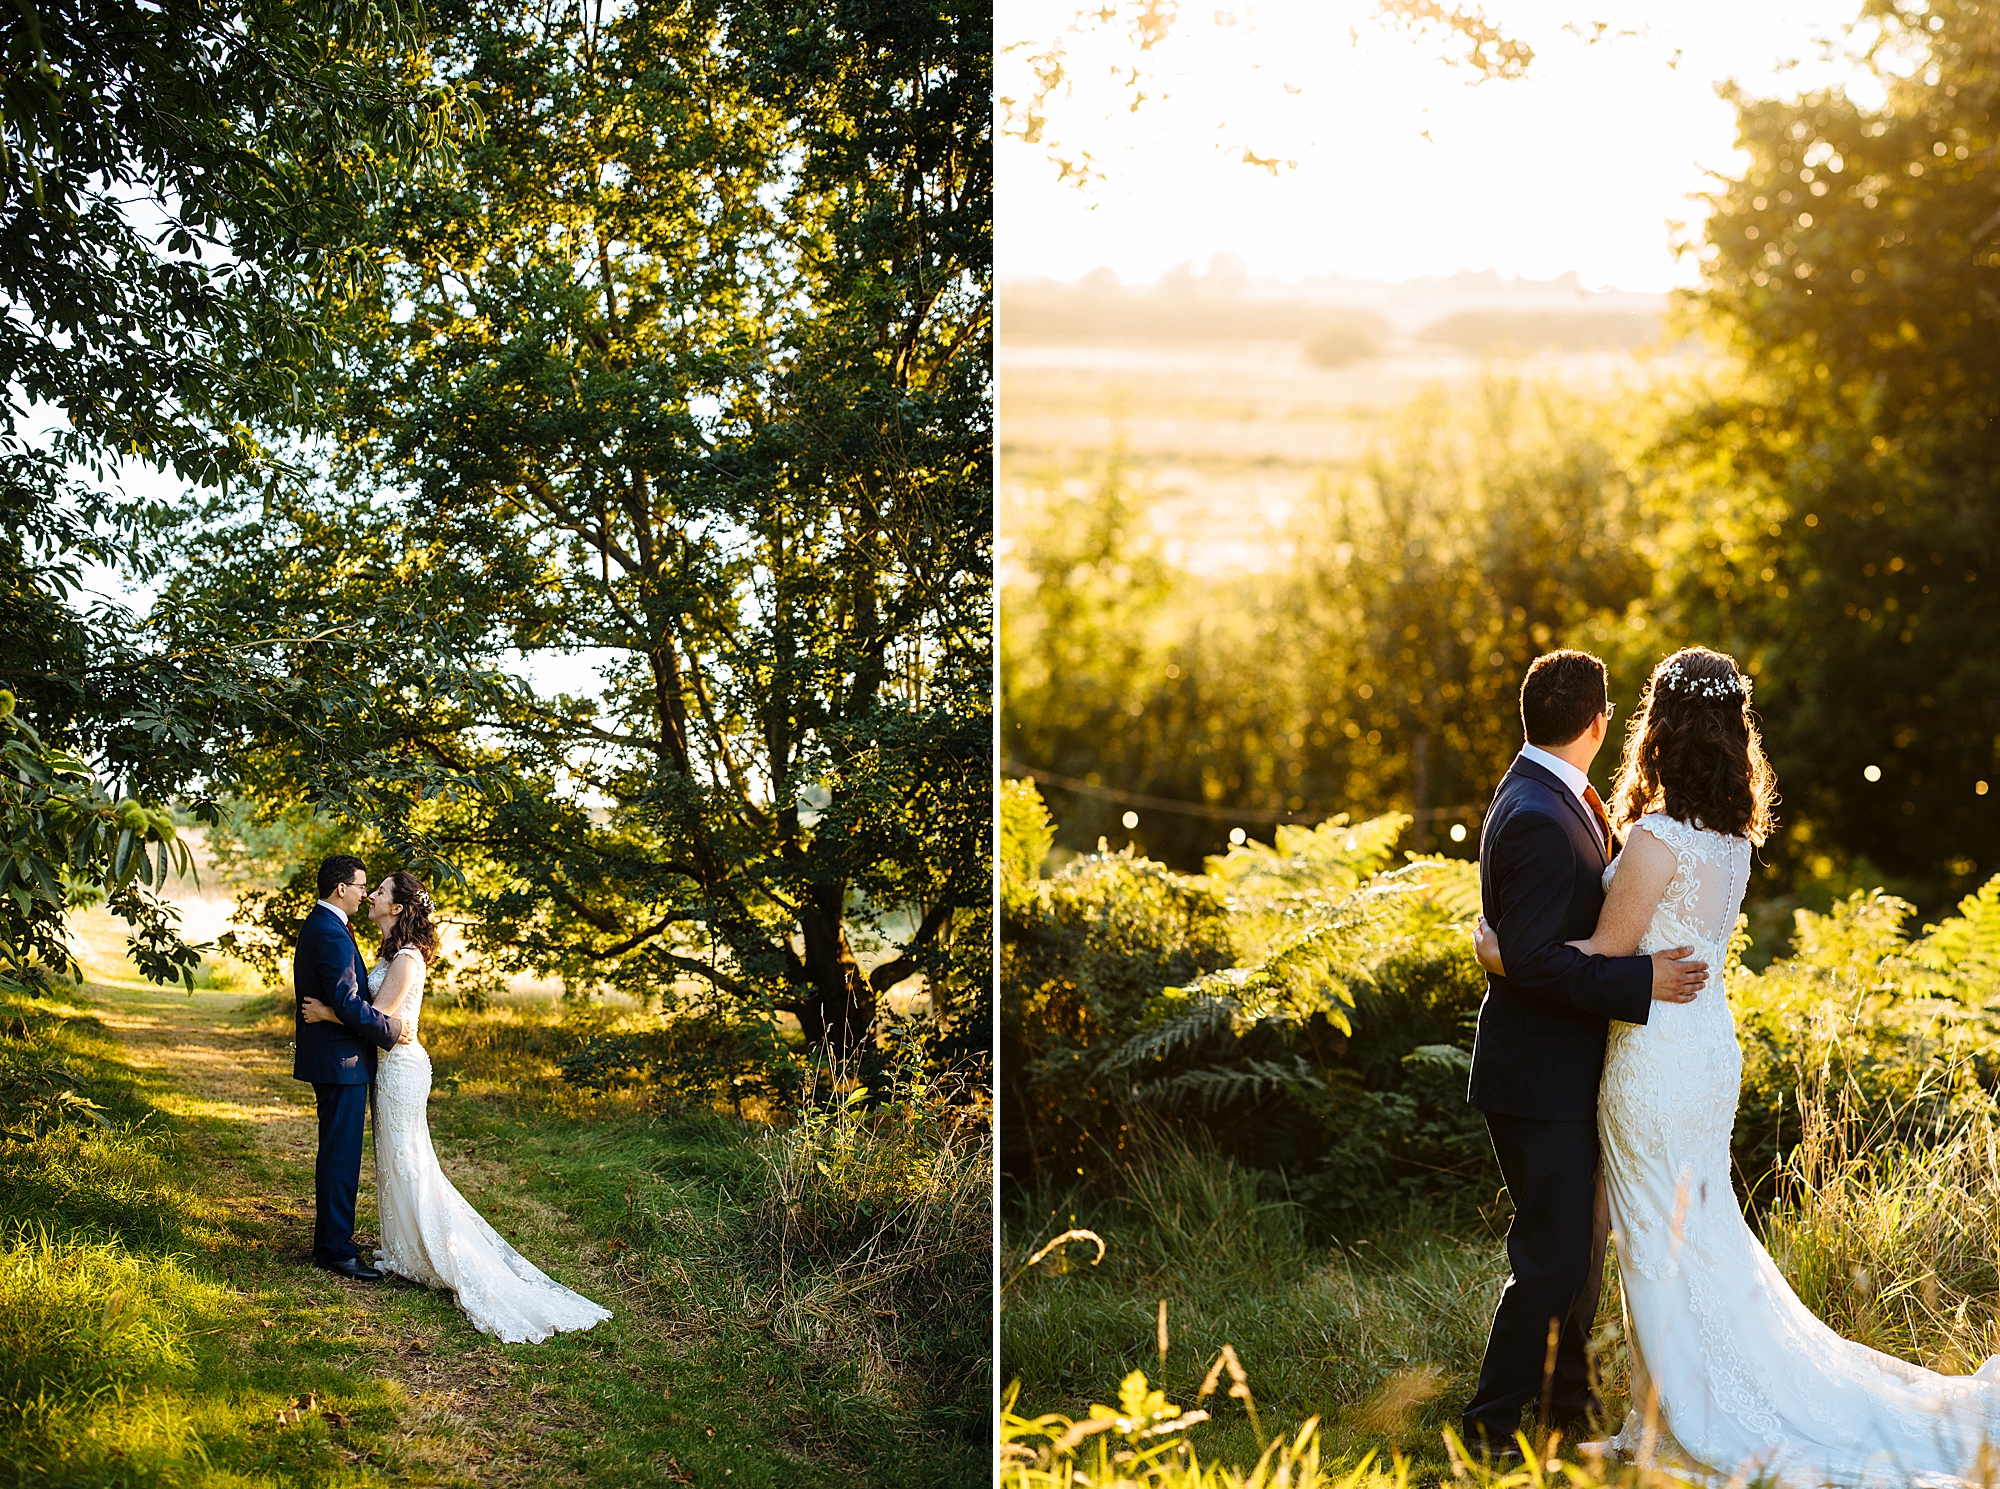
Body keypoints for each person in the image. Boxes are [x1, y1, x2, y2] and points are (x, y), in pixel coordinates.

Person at [1474, 646, 2000, 1484]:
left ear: (1657, 728)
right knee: (1693, 1231)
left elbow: (1603, 952)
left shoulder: (1656, 838)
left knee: (1656, 1235)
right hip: (1707, 1052)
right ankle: (1656, 1407)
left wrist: (1502, 952)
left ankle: (1680, 1414)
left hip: (1653, 1061)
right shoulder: (1731, 840)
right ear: (1731, 734)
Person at [1459, 650, 1709, 1457]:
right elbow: (1533, 959)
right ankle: (1491, 1427)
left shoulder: (1548, 792)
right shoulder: (1538, 810)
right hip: (1537, 1073)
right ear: (1600, 721)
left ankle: (1567, 1405)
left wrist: (1510, 952)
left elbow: (1526, 948)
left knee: (1575, 1250)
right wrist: (1643, 978)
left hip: (1562, 1067)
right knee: (1553, 1255)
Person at [300, 869, 611, 1344]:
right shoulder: (388, 952)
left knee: (411, 1161)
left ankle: (437, 1250)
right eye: (369, 888)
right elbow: (366, 1007)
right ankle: (404, 1248)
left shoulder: (406, 957)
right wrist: (346, 1014)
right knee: (396, 1161)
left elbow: (380, 1018)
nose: (371, 895)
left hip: (401, 1068)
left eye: (379, 891)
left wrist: (329, 1013)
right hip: (386, 1067)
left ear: (397, 907)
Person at [293, 854, 409, 1281]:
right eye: (361, 886)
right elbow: (346, 1002)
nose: (365, 894)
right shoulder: (329, 931)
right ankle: (334, 1250)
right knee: (340, 1158)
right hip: (340, 1060)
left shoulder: (327, 925)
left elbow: (340, 1001)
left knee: (338, 1154)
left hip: (337, 1057)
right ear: (341, 888)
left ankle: (334, 1240)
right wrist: (391, 1029)